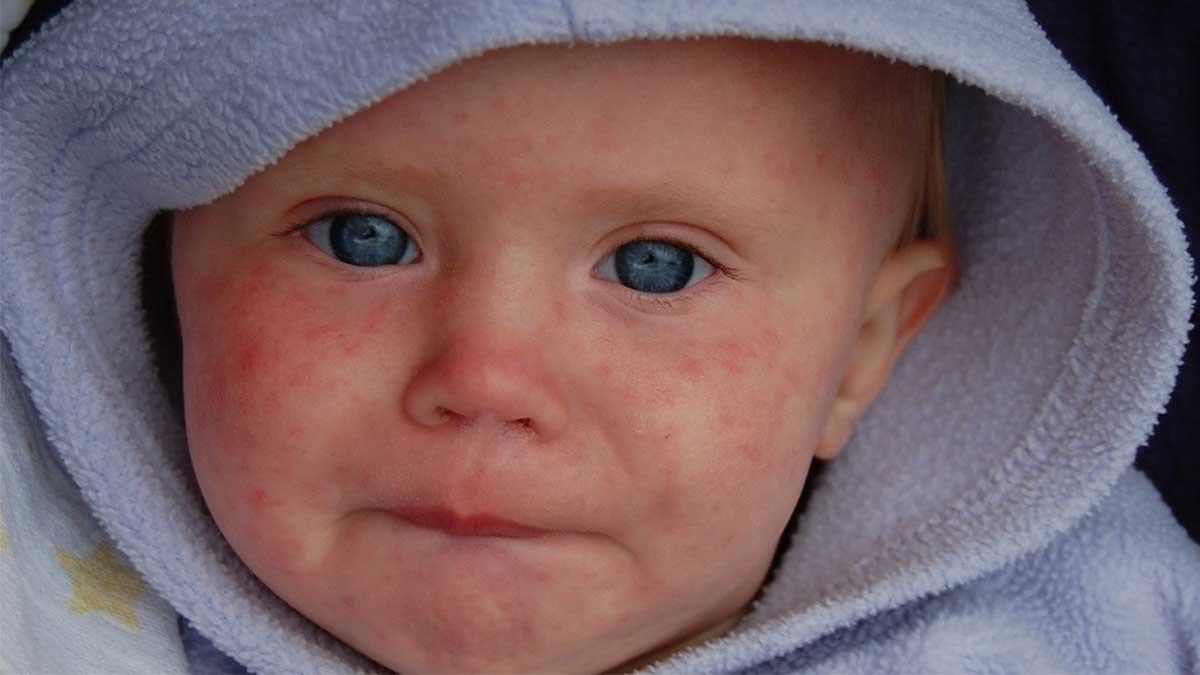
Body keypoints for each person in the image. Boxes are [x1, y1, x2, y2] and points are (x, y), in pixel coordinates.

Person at [0, 3, 1196, 674]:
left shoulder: (1081, 631)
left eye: (654, 267)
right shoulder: (52, 607)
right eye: (363, 239)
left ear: (864, 350)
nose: (485, 380)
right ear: (158, 253)